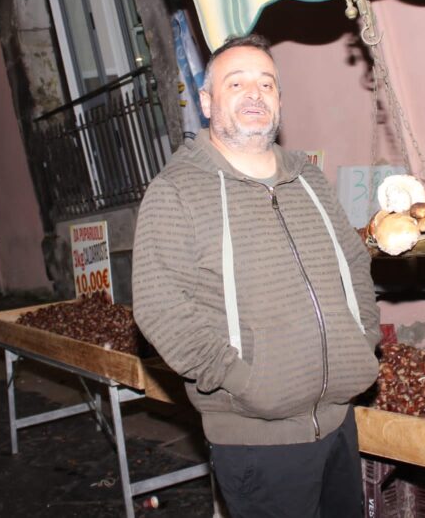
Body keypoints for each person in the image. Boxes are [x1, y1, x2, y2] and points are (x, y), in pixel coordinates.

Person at [132, 34, 380, 517]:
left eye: (266, 84)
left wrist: (362, 339)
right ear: (207, 102)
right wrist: (241, 380)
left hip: (338, 421)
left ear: (279, 101)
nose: (255, 93)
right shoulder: (176, 191)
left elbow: (354, 263)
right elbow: (161, 306)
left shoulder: (308, 179)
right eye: (237, 82)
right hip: (257, 441)